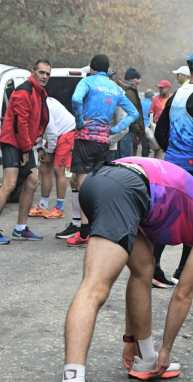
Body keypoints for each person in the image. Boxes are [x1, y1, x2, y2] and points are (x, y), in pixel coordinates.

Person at [51, 157, 193, 382]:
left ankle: (145, 357)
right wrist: (167, 349)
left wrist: (130, 339)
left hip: (101, 180)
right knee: (95, 287)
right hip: (125, 189)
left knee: (144, 265)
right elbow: (183, 293)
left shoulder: (182, 205)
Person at [151, 52, 193, 288]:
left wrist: (172, 152)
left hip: (171, 166)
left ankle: (154, 268)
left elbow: (160, 131)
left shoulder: (176, 95)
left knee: (167, 214)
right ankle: (183, 272)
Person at [58, 55, 139, 246]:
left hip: (85, 138)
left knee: (83, 184)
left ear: (92, 68)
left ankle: (85, 231)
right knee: (97, 183)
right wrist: (115, 129)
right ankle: (97, 227)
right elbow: (133, 113)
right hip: (104, 140)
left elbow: (77, 99)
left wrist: (79, 122)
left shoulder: (87, 81)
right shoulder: (115, 88)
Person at [0, 60, 50, 243]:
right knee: (9, 184)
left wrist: (37, 138)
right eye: (41, 72)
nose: (45, 76)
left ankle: (21, 228)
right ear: (33, 72)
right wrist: (25, 150)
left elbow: (40, 120)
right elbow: (19, 123)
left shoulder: (40, 93)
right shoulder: (24, 91)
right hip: (13, 142)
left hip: (25, 144)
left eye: (47, 74)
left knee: (32, 182)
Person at [30, 94, 76, 219]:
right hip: (55, 134)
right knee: (44, 168)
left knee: (58, 169)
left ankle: (59, 209)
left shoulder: (44, 109)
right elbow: (37, 130)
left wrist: (49, 153)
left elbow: (51, 133)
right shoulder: (33, 106)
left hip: (66, 132)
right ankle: (43, 207)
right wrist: (39, 148)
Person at [116, 67, 145, 159]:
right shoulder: (130, 92)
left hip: (126, 128)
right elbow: (132, 112)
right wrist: (137, 129)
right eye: (137, 78)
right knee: (125, 157)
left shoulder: (130, 90)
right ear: (130, 79)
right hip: (128, 130)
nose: (139, 81)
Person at [148, 80, 172, 159]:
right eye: (159, 88)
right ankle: (158, 167)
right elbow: (151, 111)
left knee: (170, 149)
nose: (160, 89)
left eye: (162, 88)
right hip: (158, 126)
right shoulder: (156, 99)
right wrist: (151, 114)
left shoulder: (173, 98)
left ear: (168, 88)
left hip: (170, 126)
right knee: (157, 148)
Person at [140, 89, 153, 157]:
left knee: (143, 145)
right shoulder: (152, 104)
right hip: (149, 126)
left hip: (141, 126)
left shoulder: (141, 103)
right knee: (147, 145)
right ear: (151, 96)